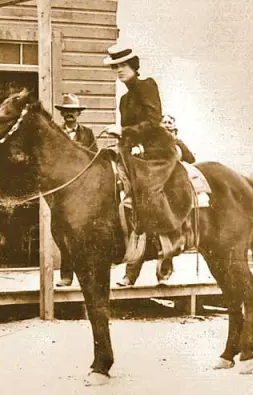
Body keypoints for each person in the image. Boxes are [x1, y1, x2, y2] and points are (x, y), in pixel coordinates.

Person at [101, 43, 193, 287]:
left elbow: (154, 121)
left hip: (155, 150)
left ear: (133, 66)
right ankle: (131, 259)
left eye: (123, 66)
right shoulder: (123, 99)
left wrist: (125, 131)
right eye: (115, 67)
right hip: (132, 151)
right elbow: (129, 134)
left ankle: (171, 242)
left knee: (147, 195)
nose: (119, 71)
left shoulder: (147, 86)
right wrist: (122, 139)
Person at [119, 113, 197, 286]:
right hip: (153, 185)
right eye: (164, 122)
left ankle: (163, 274)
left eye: (171, 122)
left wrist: (178, 146)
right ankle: (130, 276)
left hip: (172, 188)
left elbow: (191, 159)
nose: (167, 125)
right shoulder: (151, 143)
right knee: (140, 229)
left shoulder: (178, 143)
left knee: (169, 231)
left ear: (175, 128)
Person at [53, 93, 96, 287]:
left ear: (78, 113)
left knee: (86, 233)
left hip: (83, 189)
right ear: (62, 114)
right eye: (66, 112)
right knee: (64, 232)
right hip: (62, 190)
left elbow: (94, 157)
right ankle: (66, 275)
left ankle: (86, 276)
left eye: (73, 112)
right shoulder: (56, 132)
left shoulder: (87, 133)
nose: (70, 115)